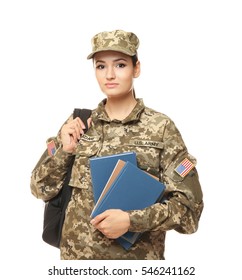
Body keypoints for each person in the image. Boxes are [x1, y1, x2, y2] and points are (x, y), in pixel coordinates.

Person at [30, 29, 204, 260]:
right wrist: (65, 151)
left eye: (120, 65)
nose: (109, 74)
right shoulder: (79, 124)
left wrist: (131, 220)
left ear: (137, 68)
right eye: (101, 66)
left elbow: (189, 212)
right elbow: (39, 189)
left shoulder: (161, 128)